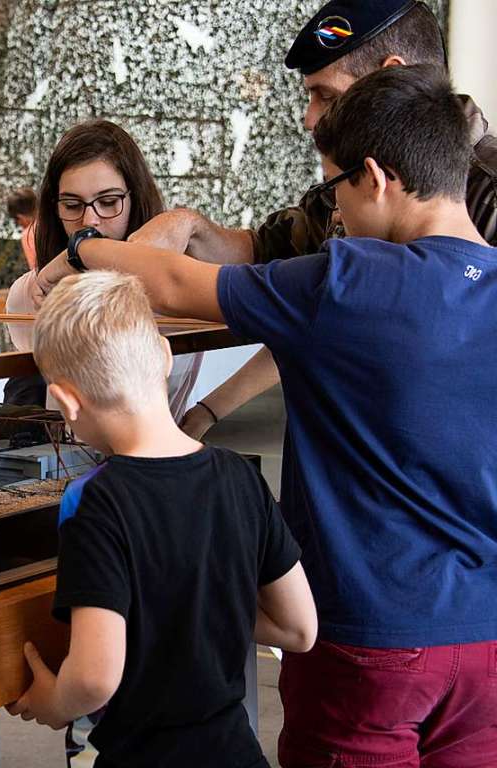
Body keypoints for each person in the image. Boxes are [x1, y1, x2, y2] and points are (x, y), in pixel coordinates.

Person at [34, 65, 497, 767]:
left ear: (374, 177)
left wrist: (79, 247)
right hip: (485, 643)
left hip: (369, 643)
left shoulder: (348, 280)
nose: (333, 214)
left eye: (334, 187)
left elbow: (174, 281)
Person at [129, 0, 497, 439]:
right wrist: (189, 226)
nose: (310, 118)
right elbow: (265, 255)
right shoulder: (341, 189)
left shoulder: (488, 192)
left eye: (327, 96)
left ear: (389, 74)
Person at [6, 270, 316, 768]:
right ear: (166, 359)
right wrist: (202, 608)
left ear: (65, 401)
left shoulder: (93, 501)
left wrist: (52, 702)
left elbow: (92, 678)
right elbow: (300, 628)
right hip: (236, 752)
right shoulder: (240, 477)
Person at [4, 119, 203, 418]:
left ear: (135, 198)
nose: (89, 221)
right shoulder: (28, 295)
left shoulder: (178, 289)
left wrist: (209, 412)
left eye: (109, 202)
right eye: (72, 206)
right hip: (66, 460)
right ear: (54, 207)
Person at [6, 186, 38, 270]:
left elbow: (36, 271)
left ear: (20, 217)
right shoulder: (54, 222)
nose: (19, 224)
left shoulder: (28, 234)